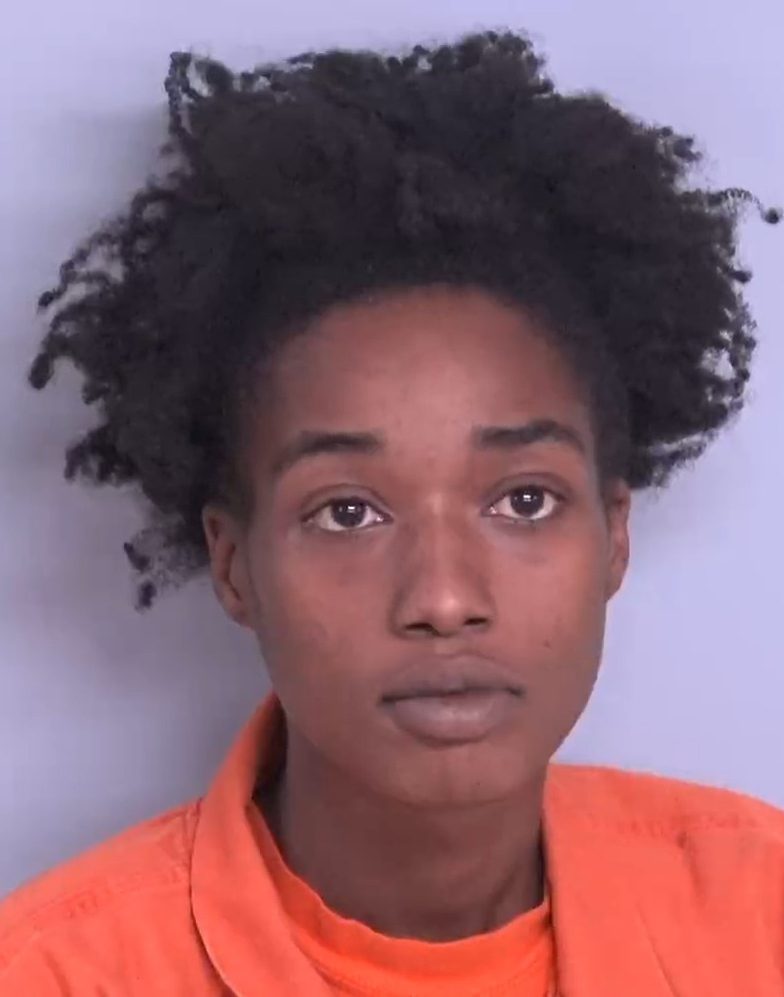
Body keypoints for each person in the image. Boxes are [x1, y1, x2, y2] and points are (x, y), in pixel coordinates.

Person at [0, 28, 781, 996]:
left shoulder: (761, 918)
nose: (444, 600)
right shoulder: (57, 975)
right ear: (234, 562)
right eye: (347, 513)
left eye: (524, 499)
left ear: (614, 534)